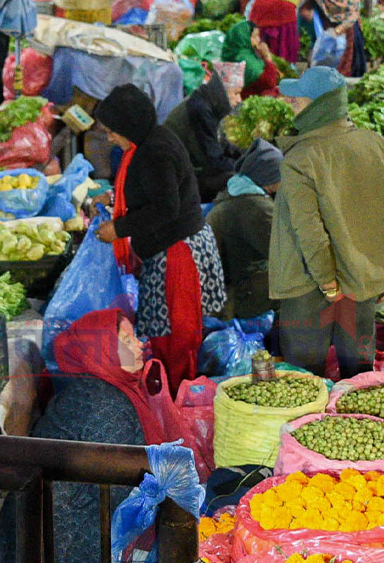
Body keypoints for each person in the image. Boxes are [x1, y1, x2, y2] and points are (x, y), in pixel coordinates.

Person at [268, 66, 384, 378]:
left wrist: (328, 284)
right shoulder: (376, 144)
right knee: (360, 375)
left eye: (299, 98)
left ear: (320, 106)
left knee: (304, 380)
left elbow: (309, 231)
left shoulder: (300, 159)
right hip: (361, 278)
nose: (291, 102)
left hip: (309, 286)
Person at [92, 84, 225, 388]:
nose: (109, 138)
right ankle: (169, 390)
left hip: (178, 254)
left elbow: (165, 207)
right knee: (164, 332)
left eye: (112, 131)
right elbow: (148, 191)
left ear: (129, 126)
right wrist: (113, 198)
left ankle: (178, 396)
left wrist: (119, 229)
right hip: (167, 250)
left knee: (175, 335)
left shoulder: (155, 152)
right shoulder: (146, 143)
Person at [32, 311, 178, 563]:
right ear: (103, 351)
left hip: (45, 533)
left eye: (134, 337)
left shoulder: (94, 387)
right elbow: (121, 495)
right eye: (126, 341)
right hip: (66, 552)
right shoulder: (107, 406)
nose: (140, 345)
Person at [206, 142, 280, 322]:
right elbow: (286, 253)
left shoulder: (235, 193)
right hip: (237, 299)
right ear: (269, 177)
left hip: (224, 292)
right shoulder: (255, 206)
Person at [163, 68, 242, 202]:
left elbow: (221, 145)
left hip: (186, 172)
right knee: (238, 179)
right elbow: (213, 162)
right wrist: (243, 164)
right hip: (175, 181)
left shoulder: (207, 102)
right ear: (222, 92)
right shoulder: (199, 109)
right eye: (236, 93)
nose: (239, 100)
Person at [300, 0, 365, 76]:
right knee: (326, 52)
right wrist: (303, 9)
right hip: (327, 17)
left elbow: (354, 11)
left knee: (349, 58)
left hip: (347, 21)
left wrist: (340, 28)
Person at [222, 19, 279, 99]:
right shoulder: (243, 58)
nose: (258, 40)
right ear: (244, 37)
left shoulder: (233, 52)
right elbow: (269, 82)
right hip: (248, 99)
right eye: (254, 36)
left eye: (258, 36)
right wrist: (267, 56)